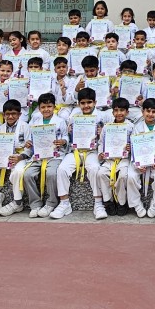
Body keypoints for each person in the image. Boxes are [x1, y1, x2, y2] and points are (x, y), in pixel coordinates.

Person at [49, 87, 108, 220]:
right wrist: (70, 133)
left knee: (94, 168)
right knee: (62, 169)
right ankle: (64, 203)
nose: (86, 106)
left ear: (95, 102)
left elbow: (110, 139)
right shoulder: (74, 117)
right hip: (76, 151)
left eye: (89, 102)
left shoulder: (102, 117)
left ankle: (98, 204)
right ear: (78, 104)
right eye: (83, 103)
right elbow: (68, 139)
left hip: (93, 151)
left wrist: (102, 134)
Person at [23, 93, 70, 219]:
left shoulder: (60, 121)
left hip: (55, 155)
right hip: (38, 155)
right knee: (27, 174)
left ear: (54, 107)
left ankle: (51, 203)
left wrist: (63, 141)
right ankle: (35, 204)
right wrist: (29, 143)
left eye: (49, 106)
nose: (46, 109)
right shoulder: (35, 122)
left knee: (51, 174)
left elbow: (66, 136)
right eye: (43, 107)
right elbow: (30, 139)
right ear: (39, 108)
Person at [127, 98, 155, 218]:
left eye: (153, 112)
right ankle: (137, 205)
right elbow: (134, 146)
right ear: (142, 111)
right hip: (139, 160)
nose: (150, 114)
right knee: (131, 176)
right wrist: (138, 163)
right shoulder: (137, 127)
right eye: (148, 111)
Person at [97, 97, 135, 218]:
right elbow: (101, 143)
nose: (119, 113)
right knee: (101, 174)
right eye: (116, 110)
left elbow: (135, 143)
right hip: (109, 159)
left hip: (124, 159)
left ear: (127, 112)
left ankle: (121, 202)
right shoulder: (107, 127)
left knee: (123, 175)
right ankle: (108, 201)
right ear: (112, 112)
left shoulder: (131, 127)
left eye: (122, 110)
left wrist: (130, 147)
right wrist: (101, 153)